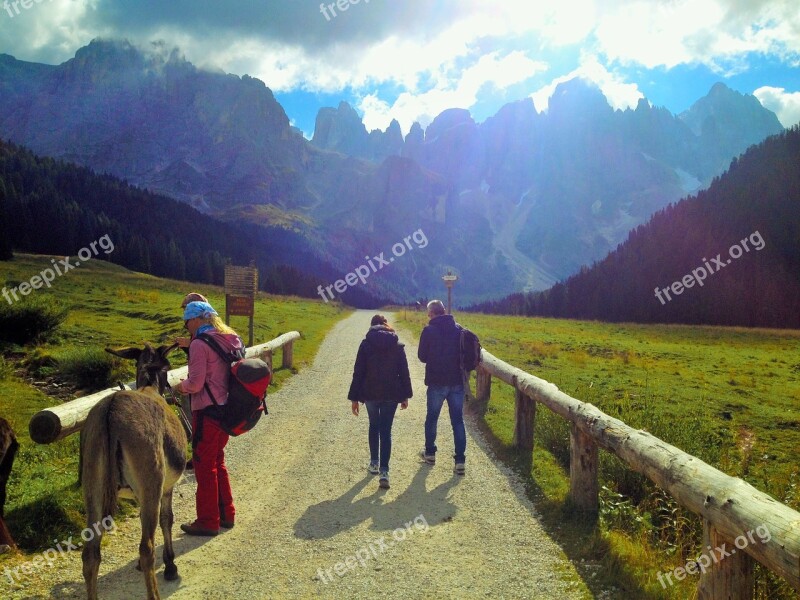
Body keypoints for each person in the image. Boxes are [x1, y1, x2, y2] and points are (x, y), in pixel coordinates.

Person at [174, 301, 243, 536]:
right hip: (228, 408)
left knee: (204, 466)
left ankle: (207, 521)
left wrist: (178, 387)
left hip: (207, 410)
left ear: (196, 319)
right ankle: (227, 514)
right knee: (218, 460)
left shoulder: (200, 345)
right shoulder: (229, 336)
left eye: (187, 322)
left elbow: (195, 383)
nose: (187, 327)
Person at [348, 315, 412, 489]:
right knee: (386, 431)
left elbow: (358, 372)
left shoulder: (365, 345)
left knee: (373, 426)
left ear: (371, 327)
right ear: (386, 325)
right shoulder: (397, 346)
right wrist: (405, 395)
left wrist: (354, 398)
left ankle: (374, 463)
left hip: (370, 393)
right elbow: (404, 372)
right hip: (391, 393)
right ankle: (384, 472)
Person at [418, 299, 466, 475]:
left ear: (431, 313)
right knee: (457, 421)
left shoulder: (428, 331)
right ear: (444, 311)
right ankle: (460, 461)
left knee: (432, 418)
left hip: (436, 382)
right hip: (456, 383)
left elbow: (422, 357)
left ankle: (430, 453)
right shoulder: (458, 329)